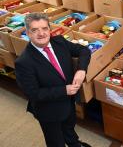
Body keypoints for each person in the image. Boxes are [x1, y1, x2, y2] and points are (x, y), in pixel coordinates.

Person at [15, 13, 92, 147]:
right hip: (48, 110)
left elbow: (84, 50)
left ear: (49, 29)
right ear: (28, 33)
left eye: (44, 28)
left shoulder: (59, 41)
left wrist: (81, 70)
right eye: (35, 30)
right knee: (55, 141)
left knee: (69, 128)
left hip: (69, 102)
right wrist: (64, 90)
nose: (41, 33)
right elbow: (33, 93)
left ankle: (74, 143)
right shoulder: (24, 62)